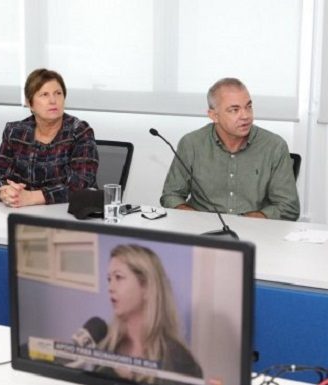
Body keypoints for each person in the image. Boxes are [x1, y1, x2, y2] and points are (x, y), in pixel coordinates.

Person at [160, 78, 300, 220]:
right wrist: (197, 219)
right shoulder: (191, 144)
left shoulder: (274, 146)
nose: (245, 116)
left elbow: (289, 207)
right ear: (214, 116)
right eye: (234, 110)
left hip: (255, 232)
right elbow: (171, 196)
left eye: (248, 107)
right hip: (202, 231)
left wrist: (250, 220)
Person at [0, 69, 98, 207]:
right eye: (44, 95)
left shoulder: (80, 131)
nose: (53, 100)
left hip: (68, 214)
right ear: (30, 103)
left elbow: (80, 185)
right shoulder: (15, 132)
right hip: (23, 212)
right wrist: (4, 192)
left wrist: (31, 197)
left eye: (58, 93)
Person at [98, 244, 203, 384]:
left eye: (118, 277)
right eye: (109, 279)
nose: (110, 287)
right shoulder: (106, 345)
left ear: (147, 287)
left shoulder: (179, 361)